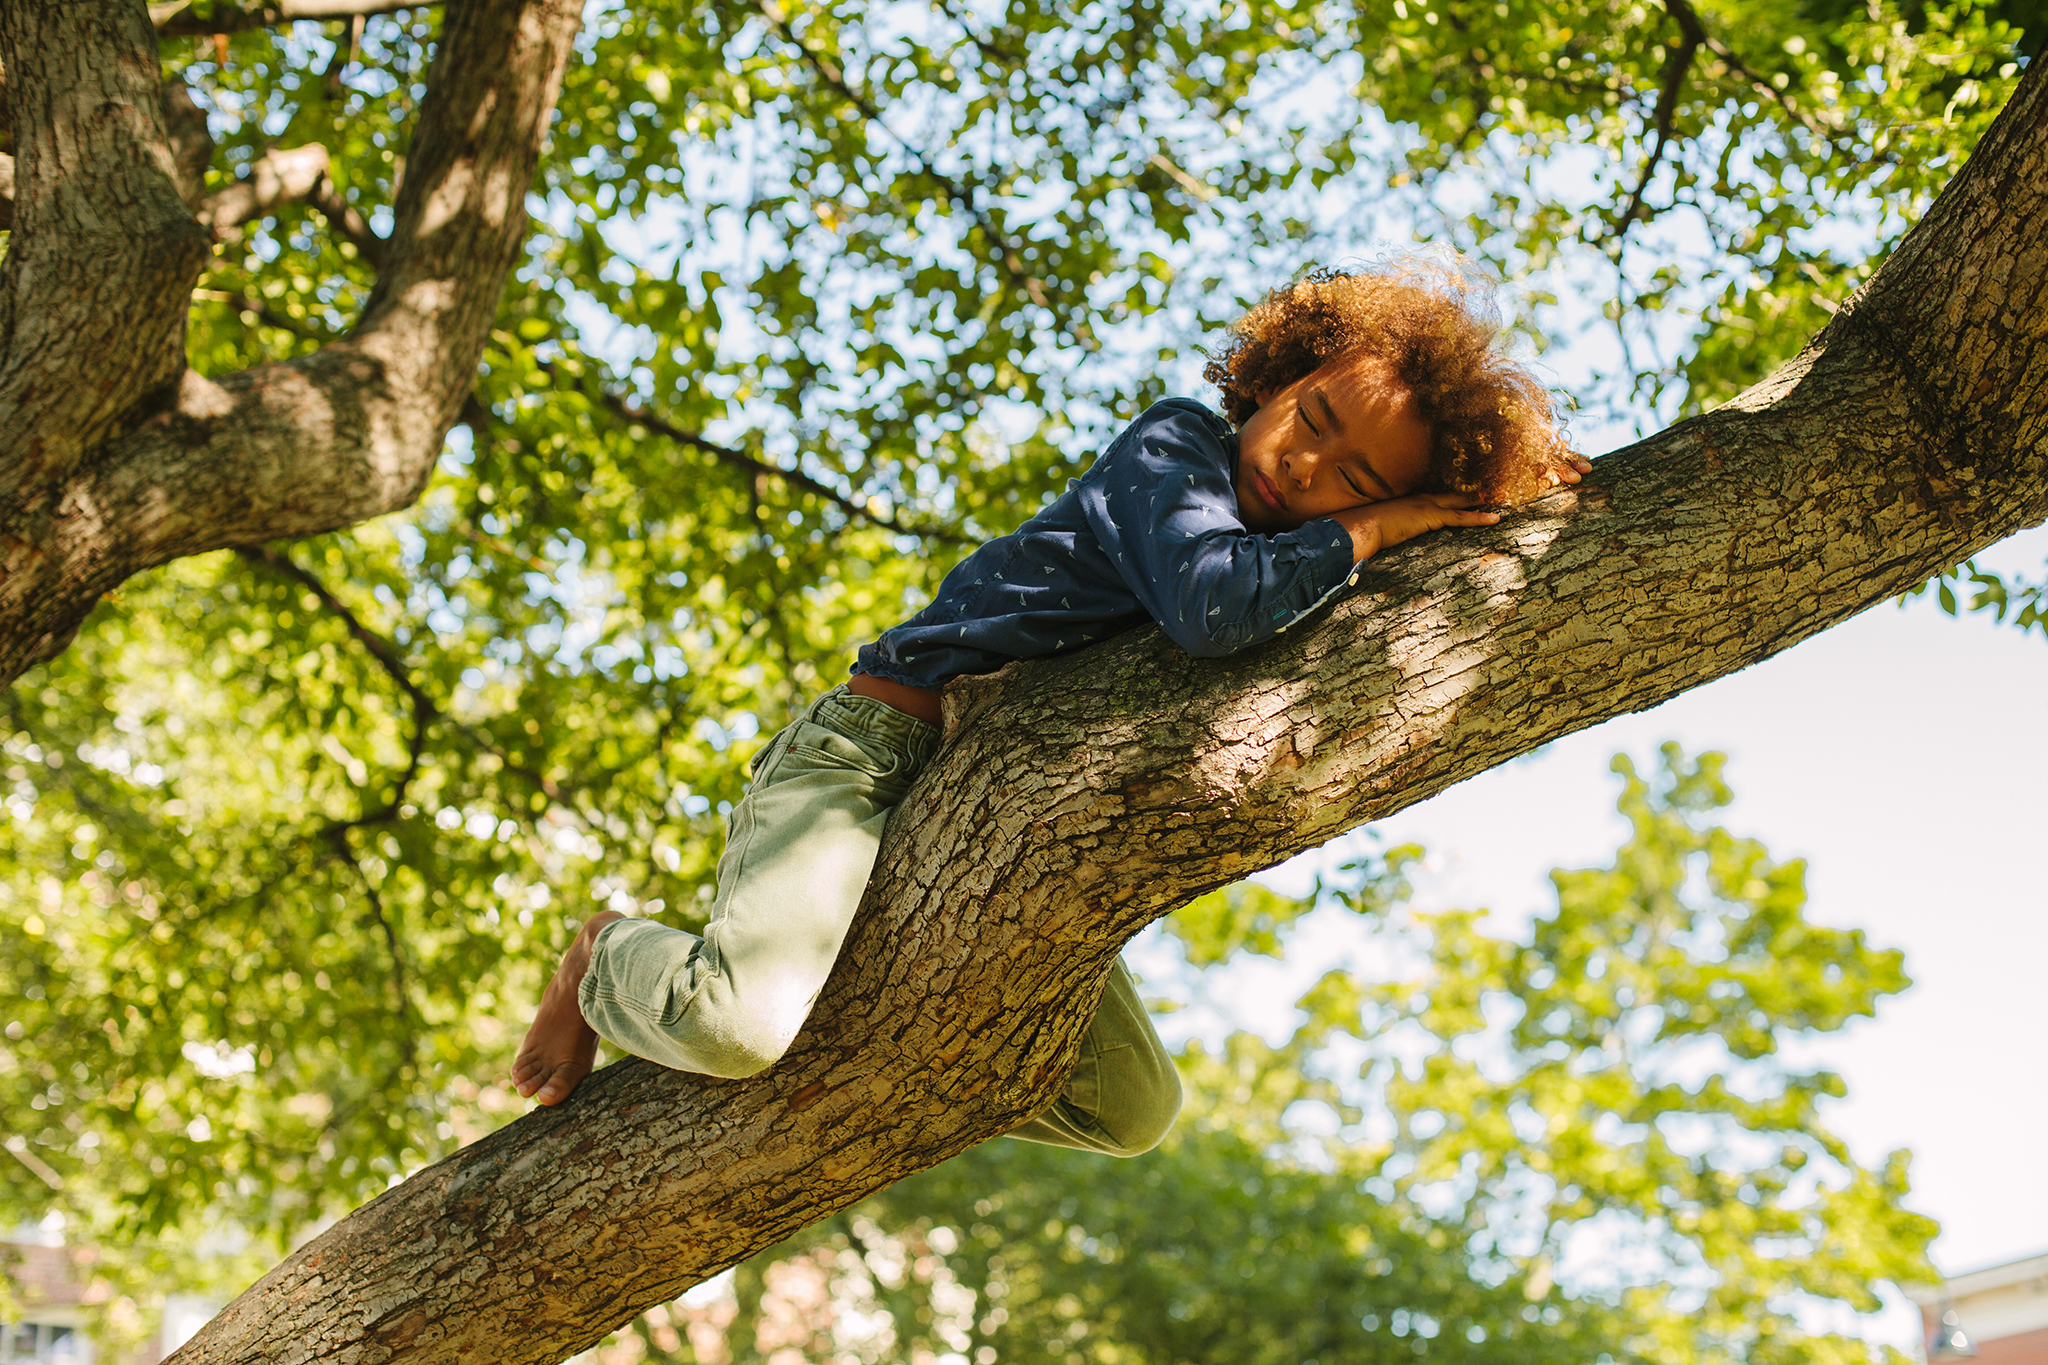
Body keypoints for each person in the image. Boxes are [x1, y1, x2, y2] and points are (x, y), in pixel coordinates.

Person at [512, 258, 1587, 1155]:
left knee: (1132, 1113)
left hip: (983, 835)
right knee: (738, 1024)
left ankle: (862, 1045)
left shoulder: (1288, 571)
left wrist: (1499, 501)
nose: (1306, 467)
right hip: (870, 758)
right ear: (1273, 379)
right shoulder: (1175, 453)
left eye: (1354, 481)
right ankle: (604, 952)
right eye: (1309, 418)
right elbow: (1206, 606)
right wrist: (1383, 525)